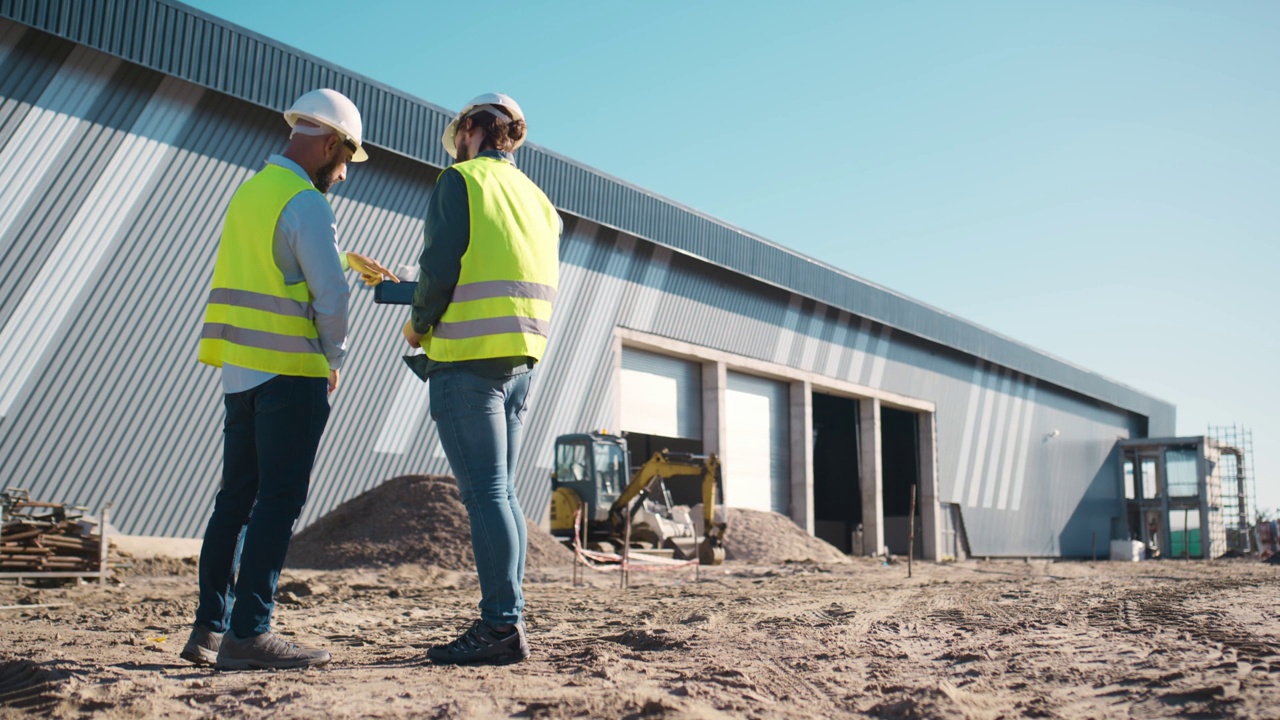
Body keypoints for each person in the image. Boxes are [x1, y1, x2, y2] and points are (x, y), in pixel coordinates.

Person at [183, 88, 398, 671]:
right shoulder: (307, 203)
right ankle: (250, 633)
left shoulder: (250, 193)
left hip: (240, 375)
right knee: (278, 503)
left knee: (234, 503)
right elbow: (331, 297)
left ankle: (209, 628)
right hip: (292, 373)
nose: (345, 175)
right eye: (346, 160)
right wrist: (334, 358)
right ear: (331, 143)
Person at [402, 92, 561, 665]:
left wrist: (417, 323)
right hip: (519, 362)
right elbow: (491, 274)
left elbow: (440, 271)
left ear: (471, 129)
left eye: (460, 137)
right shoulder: (540, 202)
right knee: (504, 491)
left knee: (487, 493)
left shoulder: (461, 182)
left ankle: (500, 628)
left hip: (466, 360)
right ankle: (506, 619)